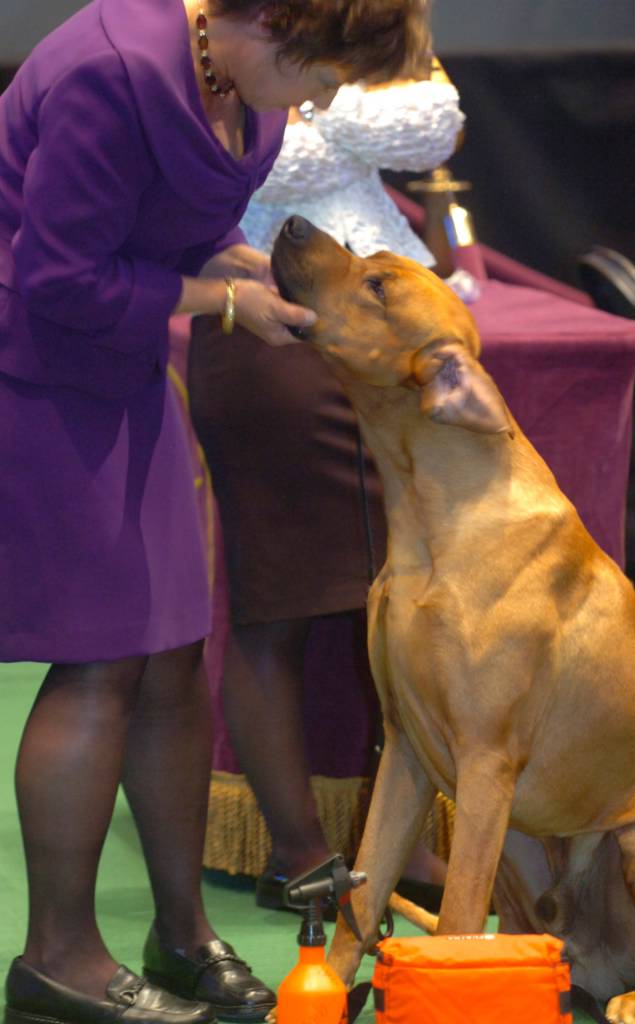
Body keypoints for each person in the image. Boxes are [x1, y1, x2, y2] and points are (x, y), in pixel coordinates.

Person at [0, 1, 431, 1022]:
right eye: (323, 76)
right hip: (31, 374)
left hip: (122, 367)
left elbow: (189, 231)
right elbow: (57, 280)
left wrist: (252, 275)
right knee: (103, 656)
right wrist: (228, 304)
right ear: (275, 31)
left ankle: (181, 932)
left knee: (173, 651)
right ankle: (57, 956)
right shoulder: (113, 70)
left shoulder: (243, 87)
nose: (324, 102)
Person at [188, 61, 463, 912]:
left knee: (400, 605)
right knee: (277, 607)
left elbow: (435, 127)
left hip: (384, 337)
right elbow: (262, 166)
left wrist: (317, 96)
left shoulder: (345, 41)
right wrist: (335, 101)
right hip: (267, 330)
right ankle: (303, 858)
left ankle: (397, 842)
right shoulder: (212, 38)